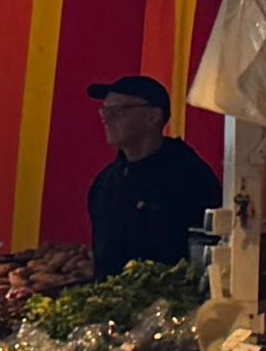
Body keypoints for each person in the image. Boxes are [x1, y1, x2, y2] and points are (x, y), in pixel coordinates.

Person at [76, 76, 224, 278]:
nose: (106, 117)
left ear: (153, 116)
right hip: (114, 302)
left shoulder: (190, 178)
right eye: (105, 109)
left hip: (173, 302)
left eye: (118, 110)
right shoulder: (105, 183)